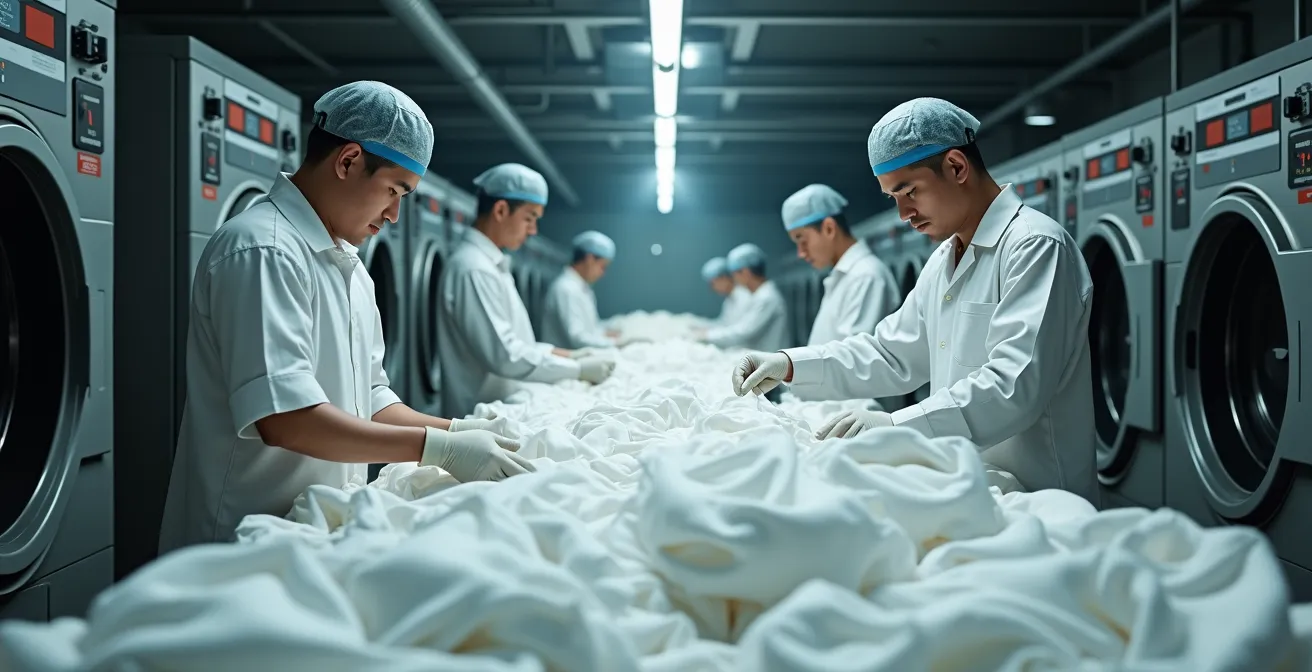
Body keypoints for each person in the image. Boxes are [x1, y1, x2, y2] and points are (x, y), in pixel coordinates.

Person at [159, 81, 531, 554]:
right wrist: (435, 450)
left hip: (315, 529)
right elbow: (286, 419)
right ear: (349, 160)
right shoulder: (264, 250)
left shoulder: (349, 268)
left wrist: (455, 431)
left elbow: (370, 397)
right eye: (395, 190)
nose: (395, 214)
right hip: (244, 539)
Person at [731, 97, 1097, 503]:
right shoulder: (944, 259)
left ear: (957, 167)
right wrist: (789, 364)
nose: (904, 213)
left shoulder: (1034, 247)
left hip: (1038, 496)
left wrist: (896, 424)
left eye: (909, 191)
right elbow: (890, 353)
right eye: (893, 198)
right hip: (973, 485)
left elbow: (1014, 385)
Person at [437, 163, 616, 419]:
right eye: (529, 218)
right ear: (501, 210)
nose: (532, 231)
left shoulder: (493, 266)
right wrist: (576, 368)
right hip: (480, 417)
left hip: (504, 408)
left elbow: (519, 344)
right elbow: (506, 355)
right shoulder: (474, 269)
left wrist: (570, 355)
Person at [782, 184, 900, 346]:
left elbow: (852, 359)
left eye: (802, 240)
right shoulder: (844, 277)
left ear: (829, 229)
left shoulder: (866, 276)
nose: (801, 253)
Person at [701, 243, 790, 353]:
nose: (733, 279)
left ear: (745, 272)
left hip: (769, 361)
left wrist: (707, 336)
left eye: (734, 274)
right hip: (759, 358)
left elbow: (744, 331)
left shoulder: (767, 297)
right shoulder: (759, 295)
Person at [541, 231, 617, 350]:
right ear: (590, 259)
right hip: (566, 362)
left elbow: (590, 329)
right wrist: (615, 343)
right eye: (602, 266)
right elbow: (577, 338)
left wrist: (606, 333)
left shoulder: (582, 288)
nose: (603, 273)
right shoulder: (566, 289)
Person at [700, 256, 750, 326]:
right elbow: (724, 323)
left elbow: (740, 330)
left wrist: (708, 334)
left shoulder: (744, 296)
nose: (712, 288)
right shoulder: (729, 299)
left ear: (724, 278)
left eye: (713, 283)